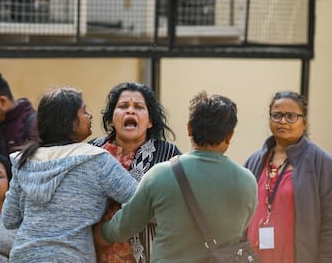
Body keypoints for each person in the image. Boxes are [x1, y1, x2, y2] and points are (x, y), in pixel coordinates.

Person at [98, 91, 258, 262]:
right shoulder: (247, 181)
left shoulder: (160, 175)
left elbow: (123, 226)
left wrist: (99, 232)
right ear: (230, 135)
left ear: (189, 128)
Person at [1, 86, 138, 262]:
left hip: (25, 256)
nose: (90, 116)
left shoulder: (24, 161)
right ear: (68, 121)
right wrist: (109, 230)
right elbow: (139, 198)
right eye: (84, 111)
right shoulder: (96, 160)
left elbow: (9, 219)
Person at [90, 82, 181, 263]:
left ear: (150, 121)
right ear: (111, 119)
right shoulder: (92, 151)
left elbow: (178, 210)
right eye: (123, 106)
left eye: (139, 107)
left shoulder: (169, 155)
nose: (130, 111)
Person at [245, 90, 332, 263]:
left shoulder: (323, 163)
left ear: (304, 122)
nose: (283, 121)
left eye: (291, 116)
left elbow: (330, 225)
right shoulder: (254, 160)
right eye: (277, 115)